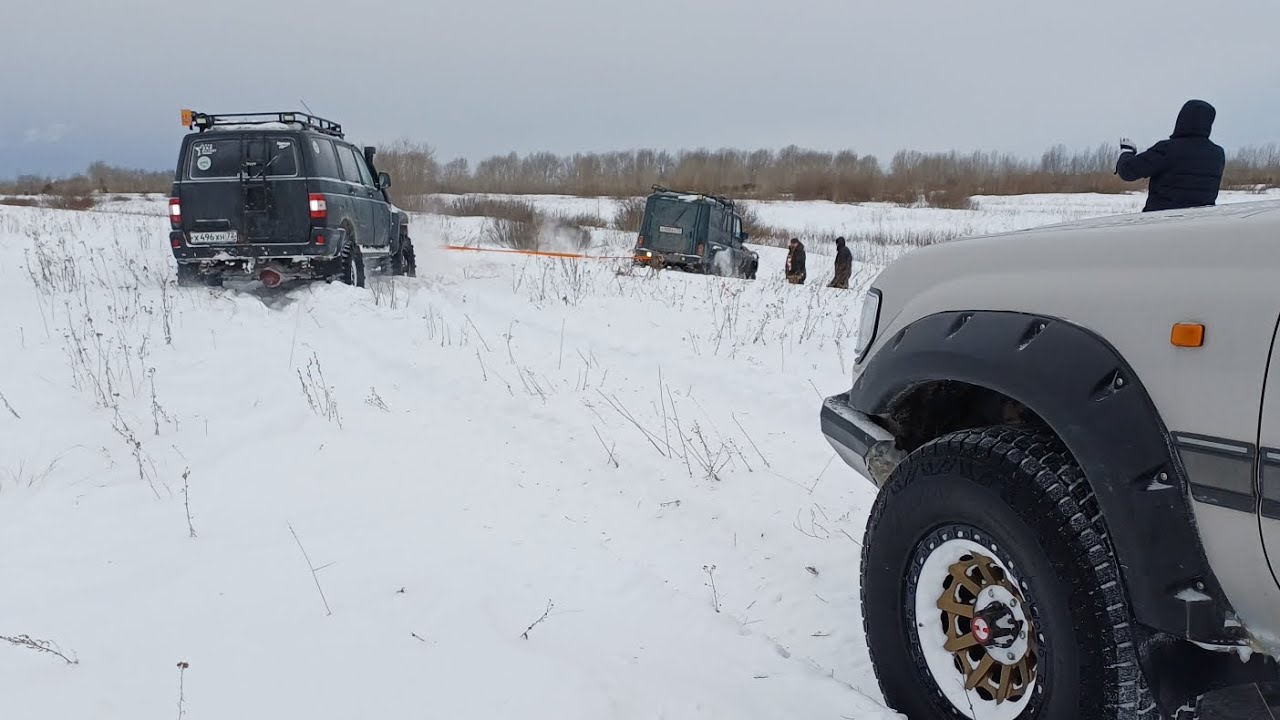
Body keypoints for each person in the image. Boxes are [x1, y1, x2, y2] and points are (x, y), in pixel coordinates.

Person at [1116, 99, 1225, 212]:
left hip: (1161, 222)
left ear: (1182, 119)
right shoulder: (1218, 154)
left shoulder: (1168, 149)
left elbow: (1128, 171)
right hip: (1202, 224)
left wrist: (1127, 152)